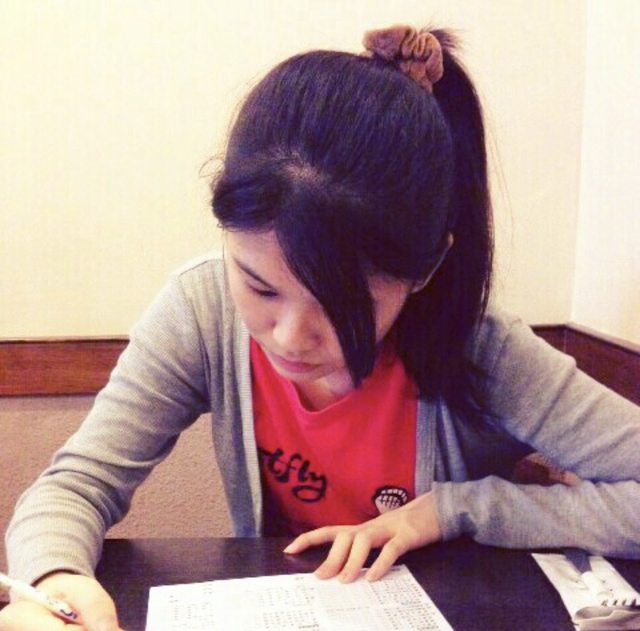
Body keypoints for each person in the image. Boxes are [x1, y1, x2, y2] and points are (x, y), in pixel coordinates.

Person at [2, 24, 639, 631]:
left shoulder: (481, 346)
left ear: (425, 270)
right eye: (260, 287)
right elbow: (77, 485)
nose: (288, 337)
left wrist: (453, 510)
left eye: (341, 307)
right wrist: (56, 580)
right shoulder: (200, 311)